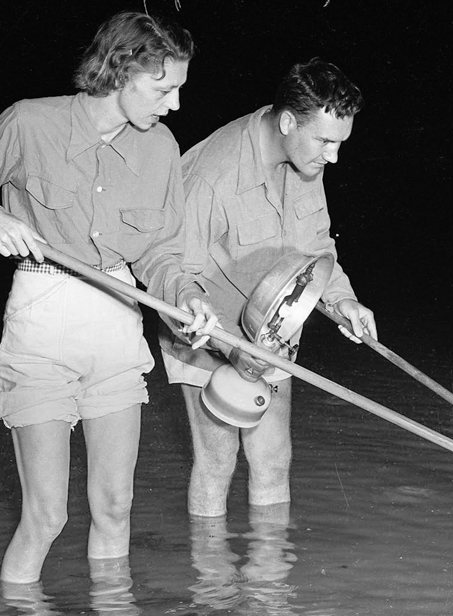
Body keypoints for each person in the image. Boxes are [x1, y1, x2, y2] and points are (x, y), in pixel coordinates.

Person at [0, 11, 217, 584]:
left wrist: (188, 297)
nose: (173, 105)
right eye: (164, 88)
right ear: (122, 69)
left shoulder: (162, 148)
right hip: (43, 319)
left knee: (115, 508)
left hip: (118, 322)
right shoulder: (28, 122)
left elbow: (162, 253)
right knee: (46, 516)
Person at [160, 59, 378, 518]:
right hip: (205, 335)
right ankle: (214, 587)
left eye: (340, 143)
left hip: (273, 333)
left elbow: (315, 245)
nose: (333, 157)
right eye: (325, 141)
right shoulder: (211, 176)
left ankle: (269, 588)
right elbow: (173, 280)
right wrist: (229, 347)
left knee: (274, 461)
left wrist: (343, 300)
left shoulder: (307, 160)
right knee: (218, 462)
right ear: (286, 122)